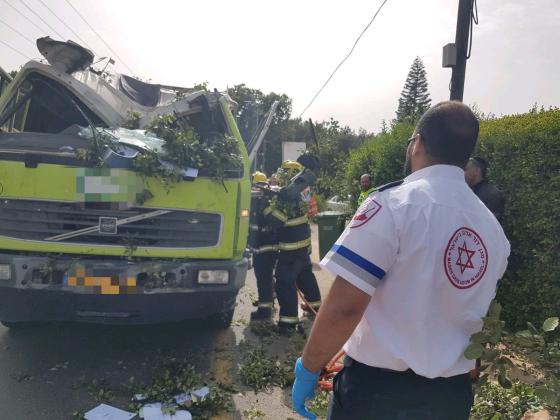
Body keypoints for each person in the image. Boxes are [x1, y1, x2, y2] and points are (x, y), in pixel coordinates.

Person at [291, 101, 510, 420]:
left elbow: (345, 307)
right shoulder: (492, 230)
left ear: (417, 143)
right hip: (451, 398)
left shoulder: (391, 205)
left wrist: (309, 368)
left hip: (377, 396)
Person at [265, 160, 322, 332]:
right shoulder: (305, 192)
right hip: (302, 244)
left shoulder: (287, 196)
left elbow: (278, 220)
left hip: (290, 247)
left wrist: (265, 209)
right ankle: (315, 305)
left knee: (284, 282)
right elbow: (311, 213)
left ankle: (287, 323)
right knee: (305, 275)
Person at [248, 171, 278, 321]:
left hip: (263, 247)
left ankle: (264, 311)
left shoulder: (258, 200)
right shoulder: (270, 197)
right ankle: (269, 300)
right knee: (268, 277)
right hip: (271, 246)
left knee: (263, 278)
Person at [465, 157, 506, 221]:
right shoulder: (464, 191)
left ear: (477, 171)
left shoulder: (492, 195)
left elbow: (493, 222)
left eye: (465, 169)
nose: (462, 173)